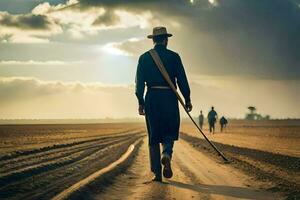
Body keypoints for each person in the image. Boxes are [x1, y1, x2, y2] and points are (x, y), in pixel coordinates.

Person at [135, 26, 192, 182]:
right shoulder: (174, 57)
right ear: (166, 40)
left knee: (154, 135)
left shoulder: (144, 58)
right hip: (169, 97)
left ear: (153, 40)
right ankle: (166, 152)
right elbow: (182, 80)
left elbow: (139, 83)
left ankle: (157, 174)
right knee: (169, 130)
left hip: (152, 97)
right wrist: (187, 99)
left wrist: (141, 101)